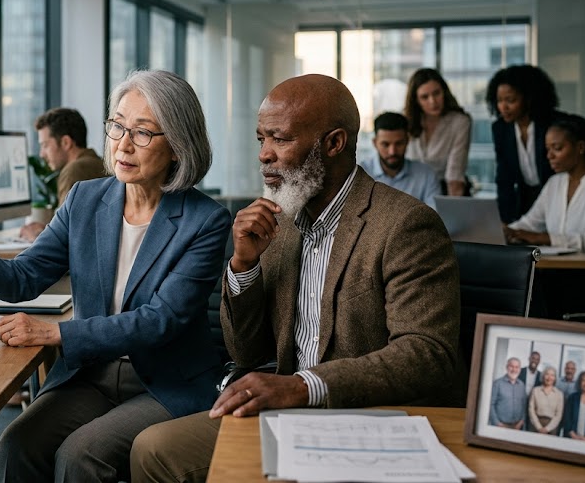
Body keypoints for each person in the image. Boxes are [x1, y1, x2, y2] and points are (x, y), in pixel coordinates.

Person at [130, 74, 461, 482]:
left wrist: (304, 386)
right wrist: (244, 266)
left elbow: (429, 354)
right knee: (153, 449)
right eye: (260, 140)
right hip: (287, 410)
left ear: (334, 143)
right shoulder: (280, 221)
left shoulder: (405, 224)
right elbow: (247, 353)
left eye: (279, 139)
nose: (264, 155)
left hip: (364, 417)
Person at [0, 69, 231, 482]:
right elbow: (23, 278)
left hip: (162, 382)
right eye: (117, 125)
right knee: (15, 447)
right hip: (91, 374)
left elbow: (161, 320)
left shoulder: (206, 221)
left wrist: (57, 334)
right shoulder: (86, 199)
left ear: (177, 146)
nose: (122, 144)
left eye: (141, 133)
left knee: (80, 456)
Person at [504, 114, 585, 256]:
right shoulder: (554, 183)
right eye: (547, 149)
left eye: (557, 148)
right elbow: (530, 223)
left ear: (580, 147)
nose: (549, 156)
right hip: (562, 268)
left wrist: (542, 238)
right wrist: (507, 231)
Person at [487, 65, 571, 223]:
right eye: (499, 101)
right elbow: (504, 178)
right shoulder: (501, 128)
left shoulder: (555, 124)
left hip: (559, 198)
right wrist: (504, 221)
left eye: (511, 100)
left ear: (529, 98)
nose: (503, 107)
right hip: (525, 200)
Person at [20, 107, 108, 241]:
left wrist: (34, 237)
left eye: (45, 145)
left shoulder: (75, 170)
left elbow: (62, 239)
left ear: (66, 142)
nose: (41, 154)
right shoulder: (97, 163)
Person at [403, 68, 472, 196]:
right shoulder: (406, 123)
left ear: (444, 92)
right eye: (425, 97)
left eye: (436, 93)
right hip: (410, 191)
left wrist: (451, 210)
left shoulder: (459, 122)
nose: (433, 101)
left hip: (445, 191)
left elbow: (455, 173)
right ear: (416, 100)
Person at [359, 112, 440, 208]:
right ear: (375, 143)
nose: (392, 151)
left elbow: (434, 217)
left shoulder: (426, 174)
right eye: (385, 145)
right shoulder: (361, 174)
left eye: (399, 144)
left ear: (407, 141)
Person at [490, 357, 527, 429]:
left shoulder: (522, 385)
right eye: (511, 366)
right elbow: (491, 404)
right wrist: (497, 423)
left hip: (517, 426)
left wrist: (522, 421)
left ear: (519, 369)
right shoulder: (497, 383)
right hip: (501, 426)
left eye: (517, 367)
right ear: (507, 367)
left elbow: (524, 405)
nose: (514, 369)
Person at [528, 367, 564, 435]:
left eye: (552, 375)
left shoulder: (559, 394)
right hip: (535, 424)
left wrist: (547, 429)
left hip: (552, 426)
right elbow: (531, 410)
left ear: (555, 378)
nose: (549, 377)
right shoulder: (535, 390)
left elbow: (558, 415)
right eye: (547, 374)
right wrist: (539, 427)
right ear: (543, 376)